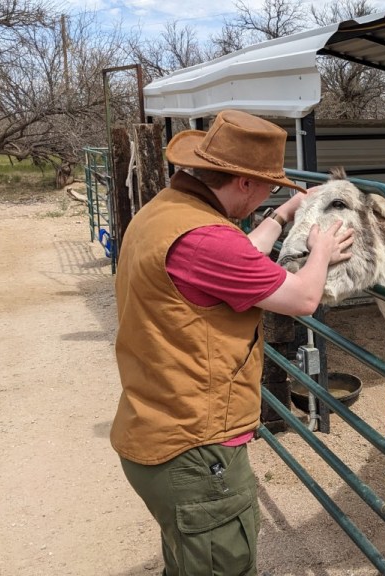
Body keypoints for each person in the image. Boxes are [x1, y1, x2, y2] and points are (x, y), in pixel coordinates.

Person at [110, 109, 353, 576]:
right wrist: (321, 251)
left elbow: (238, 255)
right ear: (243, 183)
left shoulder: (166, 213)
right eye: (269, 187)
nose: (270, 194)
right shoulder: (206, 240)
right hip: (197, 452)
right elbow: (304, 298)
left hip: (157, 429)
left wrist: (282, 214)